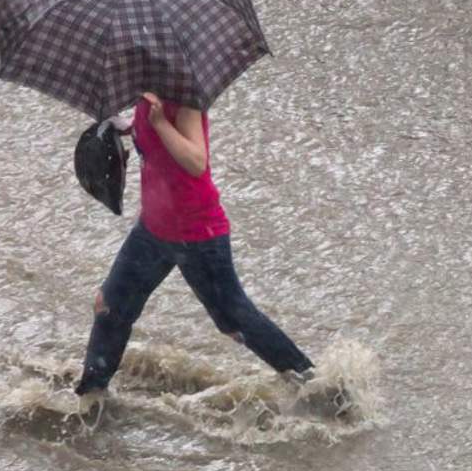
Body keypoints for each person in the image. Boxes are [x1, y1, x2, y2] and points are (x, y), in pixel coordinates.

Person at [75, 91, 317, 396]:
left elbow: (196, 161)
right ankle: (91, 397)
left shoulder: (185, 97)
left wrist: (161, 123)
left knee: (233, 320)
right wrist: (120, 125)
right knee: (110, 306)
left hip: (198, 234)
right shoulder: (146, 95)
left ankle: (312, 385)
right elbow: (145, 134)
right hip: (153, 229)